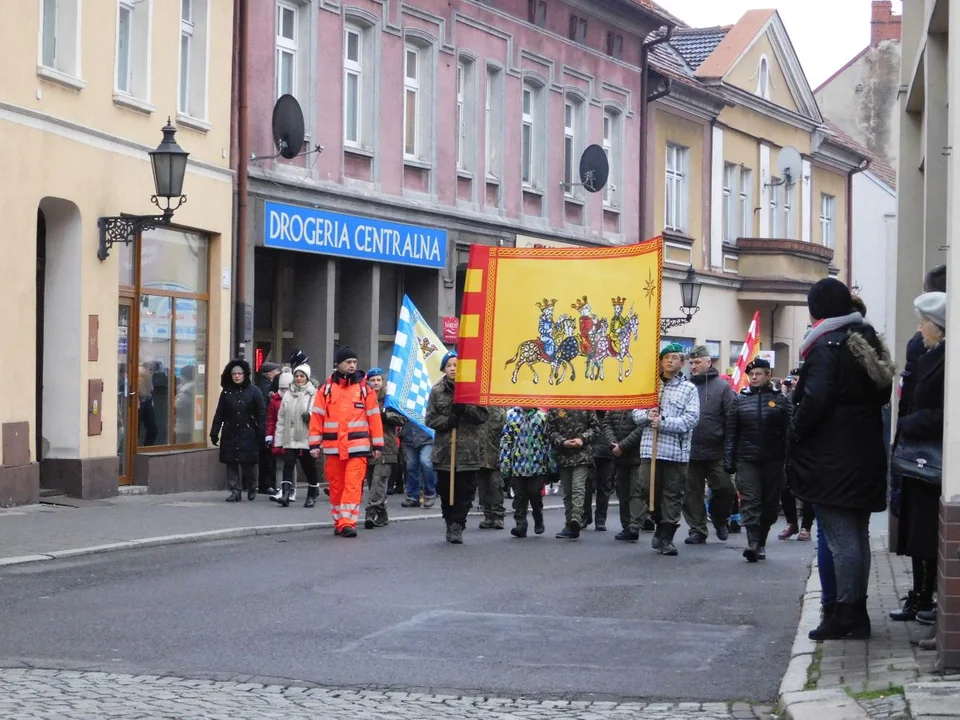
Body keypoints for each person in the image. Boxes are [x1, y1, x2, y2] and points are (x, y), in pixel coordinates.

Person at [790, 278, 894, 641]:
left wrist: (795, 432)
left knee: (841, 538)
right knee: (858, 536)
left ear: (817, 309)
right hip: (863, 451)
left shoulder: (826, 346)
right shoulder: (865, 339)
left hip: (832, 458)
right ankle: (856, 612)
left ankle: (846, 613)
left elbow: (814, 401)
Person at [889, 292, 945, 636]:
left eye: (923, 322)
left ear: (938, 327)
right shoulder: (928, 355)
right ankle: (920, 596)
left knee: (924, 533)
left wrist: (909, 422)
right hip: (917, 458)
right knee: (916, 531)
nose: (919, 327)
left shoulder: (944, 360)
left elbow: (942, 413)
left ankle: (926, 599)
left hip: (930, 460)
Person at [632, 343, 700, 556]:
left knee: (673, 494)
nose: (670, 360)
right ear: (660, 361)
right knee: (646, 488)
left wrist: (662, 422)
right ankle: (659, 521)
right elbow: (636, 413)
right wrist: (647, 417)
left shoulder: (689, 389)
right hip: (649, 450)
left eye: (675, 357)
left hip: (675, 452)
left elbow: (691, 419)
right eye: (666, 357)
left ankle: (668, 534)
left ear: (682, 363)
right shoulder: (650, 386)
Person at [308, 347, 384, 538]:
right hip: (333, 449)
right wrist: (314, 444)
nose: (352, 366)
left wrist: (378, 445)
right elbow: (317, 418)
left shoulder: (365, 390)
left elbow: (374, 419)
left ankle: (347, 522)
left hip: (357, 448)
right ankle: (339, 521)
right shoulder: (325, 390)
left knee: (352, 485)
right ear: (338, 364)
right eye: (348, 362)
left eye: (354, 362)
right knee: (336, 487)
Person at [724, 358, 792, 562]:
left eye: (758, 374)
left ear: (768, 375)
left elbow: (790, 433)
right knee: (750, 500)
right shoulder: (739, 401)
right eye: (751, 374)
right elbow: (731, 433)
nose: (754, 377)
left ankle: (761, 542)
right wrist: (729, 459)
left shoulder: (780, 400)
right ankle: (752, 543)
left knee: (770, 504)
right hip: (746, 459)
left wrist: (790, 460)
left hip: (773, 460)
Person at [425, 351, 489, 544]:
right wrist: (448, 421)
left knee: (465, 491)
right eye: (449, 365)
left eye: (456, 365)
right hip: (445, 451)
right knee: (445, 490)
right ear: (444, 369)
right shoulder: (437, 391)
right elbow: (430, 419)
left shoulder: (472, 390)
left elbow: (483, 416)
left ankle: (457, 524)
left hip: (468, 451)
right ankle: (449, 519)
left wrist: (466, 409)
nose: (453, 368)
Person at [682, 345, 738, 544]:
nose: (693, 366)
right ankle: (697, 529)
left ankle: (720, 518)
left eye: (697, 362)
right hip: (690, 450)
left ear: (709, 362)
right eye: (691, 363)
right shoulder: (686, 385)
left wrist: (730, 447)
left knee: (725, 489)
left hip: (717, 451)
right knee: (691, 493)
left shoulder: (722, 387)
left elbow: (732, 418)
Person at [210, 359, 266, 503]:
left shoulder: (254, 391)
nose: (236, 376)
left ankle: (252, 486)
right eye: (234, 373)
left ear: (244, 375)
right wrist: (214, 431)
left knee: (249, 463)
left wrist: (261, 431)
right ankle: (235, 490)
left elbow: (261, 413)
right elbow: (219, 413)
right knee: (231, 462)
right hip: (230, 431)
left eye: (239, 373)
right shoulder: (227, 392)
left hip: (248, 431)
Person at [546, 408, 600, 539]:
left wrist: (582, 438)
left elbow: (595, 428)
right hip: (564, 456)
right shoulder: (555, 407)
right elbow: (550, 431)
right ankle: (569, 523)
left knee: (578, 487)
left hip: (583, 454)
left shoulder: (586, 404)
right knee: (568, 491)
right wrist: (563, 441)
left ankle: (576, 519)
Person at [275, 363, 321, 508]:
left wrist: (311, 416)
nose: (299, 378)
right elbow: (281, 417)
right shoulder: (288, 394)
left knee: (308, 467)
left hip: (307, 436)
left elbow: (320, 414)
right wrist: (278, 439)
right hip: (290, 435)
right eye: (296, 376)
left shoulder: (313, 393)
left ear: (307, 377)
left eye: (302, 376)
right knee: (288, 465)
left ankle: (312, 493)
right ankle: (286, 495)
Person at [500, 406, 551, 537]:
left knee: (534, 492)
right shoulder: (511, 415)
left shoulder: (542, 416)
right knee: (519, 496)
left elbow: (547, 440)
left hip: (537, 464)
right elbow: (506, 440)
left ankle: (538, 516)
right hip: (517, 464)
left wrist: (549, 462)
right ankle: (520, 525)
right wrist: (505, 464)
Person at [363, 368, 403, 529]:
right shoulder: (364, 398)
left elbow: (402, 418)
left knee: (379, 481)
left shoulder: (389, 400)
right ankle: (383, 513)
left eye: (378, 380)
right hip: (367, 446)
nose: (376, 383)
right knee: (372, 482)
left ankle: (371, 512)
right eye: (373, 380)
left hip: (387, 446)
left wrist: (385, 415)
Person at [603, 406, 648, 541]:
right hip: (619, 457)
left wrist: (622, 446)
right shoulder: (616, 401)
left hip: (637, 455)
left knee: (636, 490)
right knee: (622, 492)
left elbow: (642, 427)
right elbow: (607, 424)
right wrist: (614, 444)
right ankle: (626, 525)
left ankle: (635, 524)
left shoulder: (642, 402)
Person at [583, 411, 614, 532]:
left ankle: (596, 518)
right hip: (594, 450)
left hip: (604, 451)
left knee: (602, 486)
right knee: (589, 485)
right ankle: (592, 518)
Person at [265, 369, 293, 503]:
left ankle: (291, 490)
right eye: (281, 388)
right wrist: (269, 435)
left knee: (290, 464)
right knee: (279, 464)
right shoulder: (274, 400)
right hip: (279, 434)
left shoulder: (294, 398)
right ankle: (279, 489)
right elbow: (271, 419)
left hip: (292, 435)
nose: (283, 391)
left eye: (286, 388)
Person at [477, 406, 507, 530]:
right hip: (479, 455)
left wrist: (504, 454)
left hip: (495, 455)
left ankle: (498, 516)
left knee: (496, 485)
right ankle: (487, 515)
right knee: (483, 488)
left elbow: (506, 435)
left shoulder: (500, 412)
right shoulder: (477, 409)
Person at [256, 361, 282, 493]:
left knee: (266, 457)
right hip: (266, 426)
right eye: (276, 371)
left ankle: (266, 484)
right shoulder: (266, 388)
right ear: (270, 373)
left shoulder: (262, 385)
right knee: (267, 457)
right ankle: (266, 485)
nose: (278, 374)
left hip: (265, 425)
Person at [400, 422, 437, 508]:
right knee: (411, 466)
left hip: (427, 434)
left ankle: (430, 494)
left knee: (426, 462)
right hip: (409, 435)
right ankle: (413, 496)